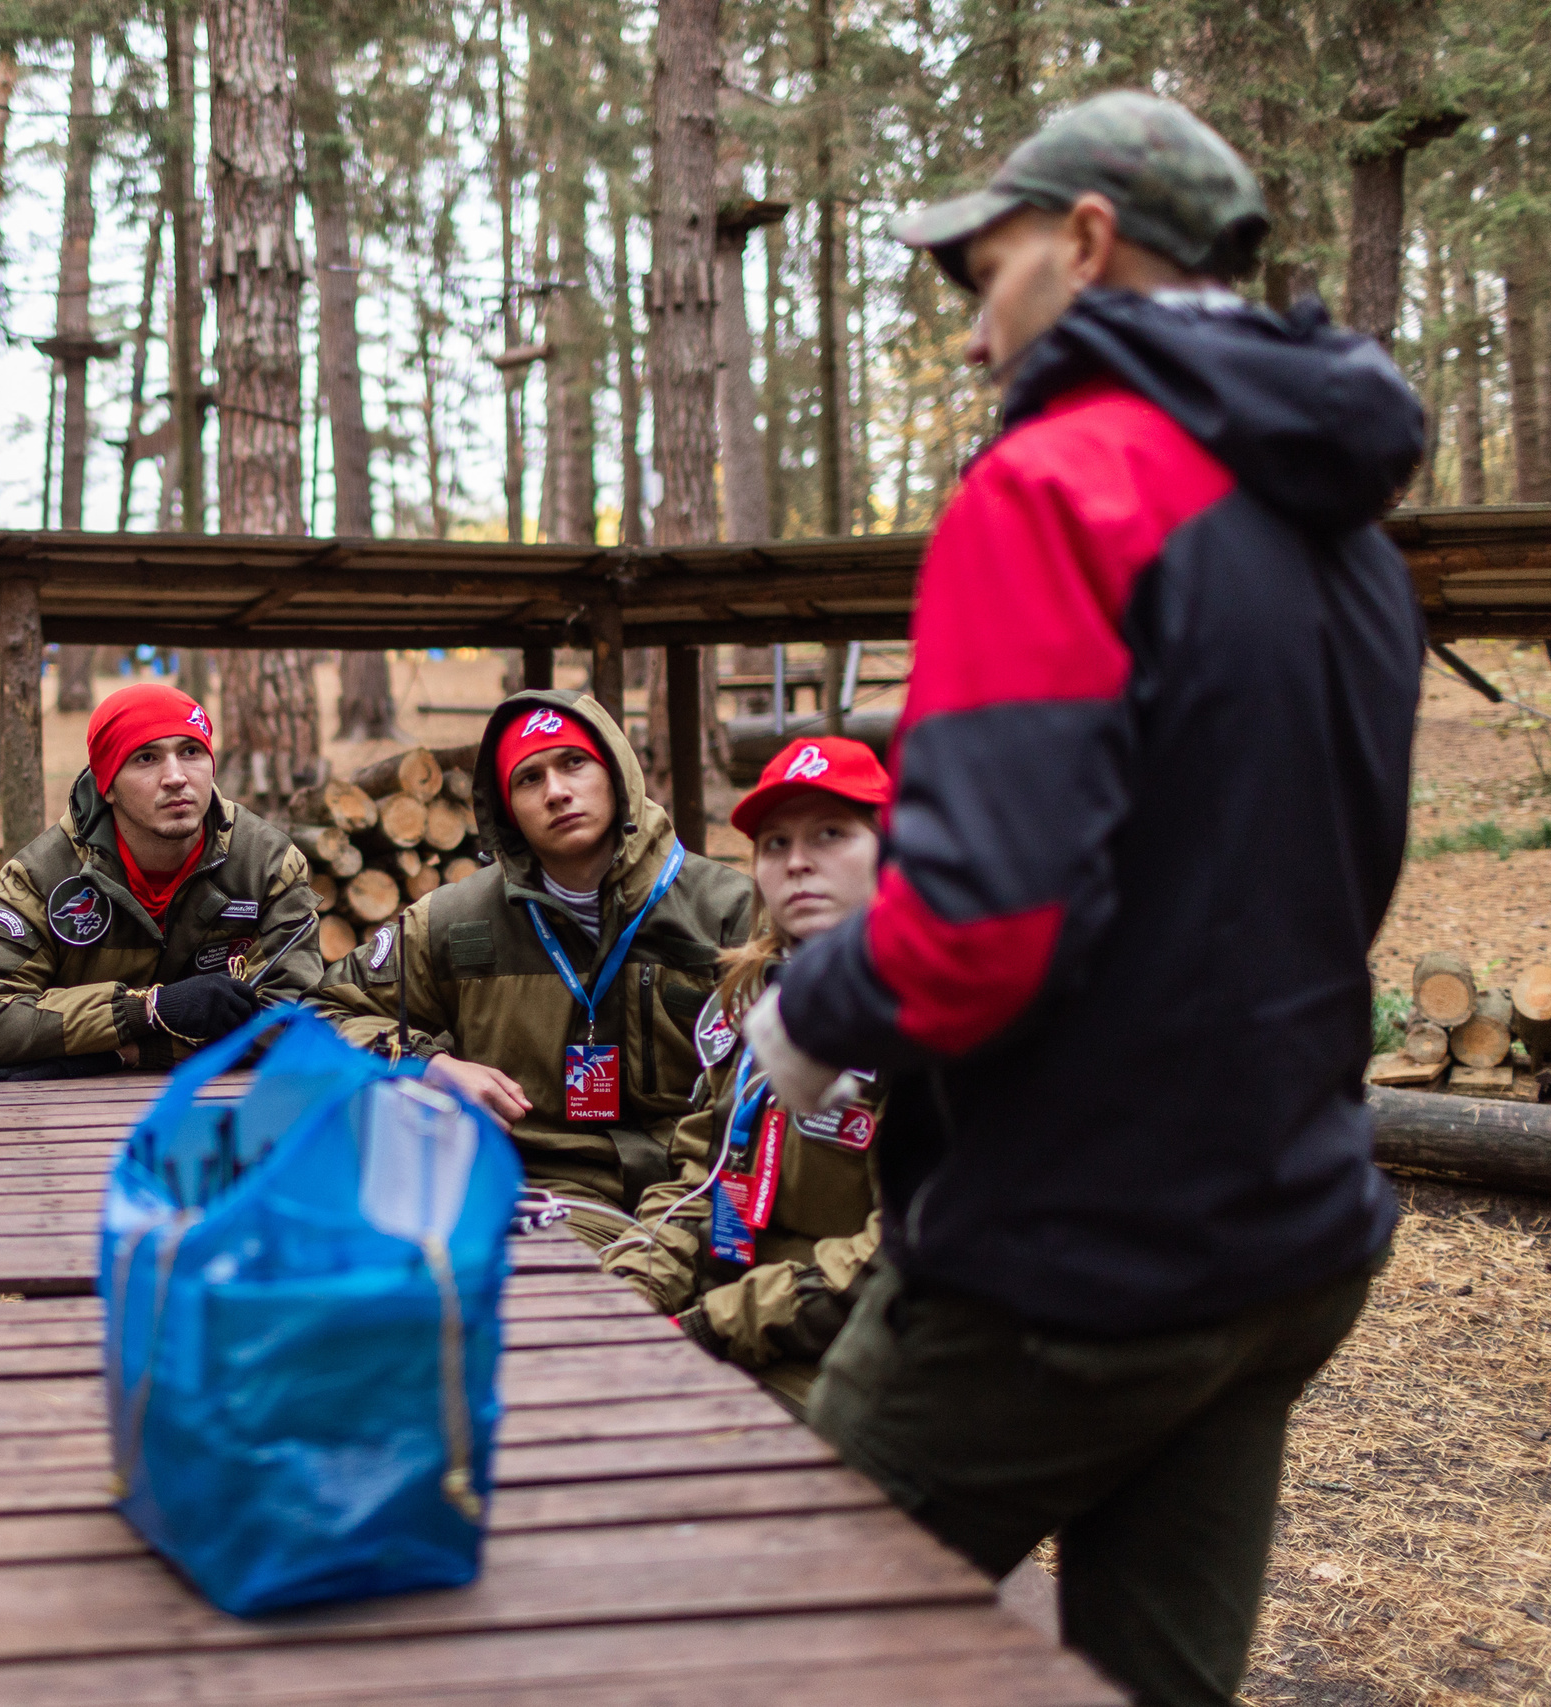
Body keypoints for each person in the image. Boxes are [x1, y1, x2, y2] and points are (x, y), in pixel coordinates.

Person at [743, 93, 1422, 1707]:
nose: (977, 340)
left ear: (1090, 244)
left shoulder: (1057, 489)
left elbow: (976, 926)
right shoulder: (1348, 535)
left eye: (986, 279)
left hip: (1075, 1263)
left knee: (760, 1647)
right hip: (1292, 1241)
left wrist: (809, 1014)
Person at [309, 691, 754, 1237]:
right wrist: (427, 1065)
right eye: (529, 779)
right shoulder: (456, 921)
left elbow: (776, 1087)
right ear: (507, 809)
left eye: (574, 763)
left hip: (697, 1191)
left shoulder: (729, 911)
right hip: (543, 1198)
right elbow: (320, 1012)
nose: (558, 792)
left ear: (614, 774)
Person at [599, 737, 891, 1406]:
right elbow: (699, 1176)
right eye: (775, 843)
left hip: (866, 1352)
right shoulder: (749, 1000)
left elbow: (899, 1256)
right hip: (736, 1318)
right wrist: (629, 1289)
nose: (798, 863)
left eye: (831, 833)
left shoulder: (931, 1018)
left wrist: (709, 1326)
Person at [0, 682, 321, 1079]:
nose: (176, 777)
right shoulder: (43, 876)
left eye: (191, 752)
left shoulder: (266, 863)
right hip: (68, 1118)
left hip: (223, 1109)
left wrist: (129, 1052)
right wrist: (144, 1009)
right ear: (107, 785)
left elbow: (301, 1016)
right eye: (146, 758)